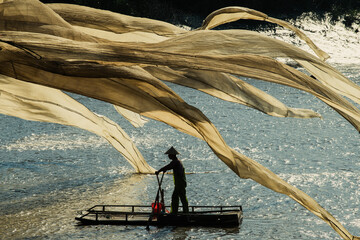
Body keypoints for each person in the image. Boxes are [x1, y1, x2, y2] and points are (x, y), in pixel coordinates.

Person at [155, 146, 189, 214]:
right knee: (177, 198)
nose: (168, 156)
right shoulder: (177, 161)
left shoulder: (176, 162)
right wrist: (164, 170)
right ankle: (178, 212)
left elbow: (168, 166)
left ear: (172, 155)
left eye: (169, 155)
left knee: (179, 198)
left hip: (180, 183)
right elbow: (169, 167)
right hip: (179, 183)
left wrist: (159, 171)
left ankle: (182, 212)